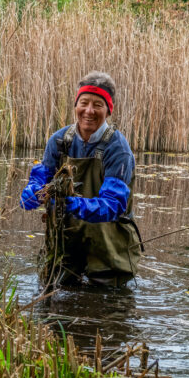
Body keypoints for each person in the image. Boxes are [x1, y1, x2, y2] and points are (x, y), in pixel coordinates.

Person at [19, 72, 142, 287]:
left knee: (107, 306)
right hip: (65, 242)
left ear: (108, 110)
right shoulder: (58, 141)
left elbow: (113, 204)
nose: (89, 111)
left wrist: (73, 204)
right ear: (76, 105)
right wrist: (33, 192)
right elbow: (42, 176)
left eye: (98, 105)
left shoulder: (118, 149)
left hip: (109, 248)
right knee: (55, 293)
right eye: (83, 103)